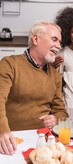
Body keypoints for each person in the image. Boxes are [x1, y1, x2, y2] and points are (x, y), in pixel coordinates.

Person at [0, 20, 68, 155]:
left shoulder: (55, 75)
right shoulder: (10, 64)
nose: (58, 46)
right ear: (36, 39)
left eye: (60, 42)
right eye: (54, 39)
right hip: (12, 140)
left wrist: (55, 119)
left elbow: (62, 113)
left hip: (43, 143)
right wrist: (2, 131)